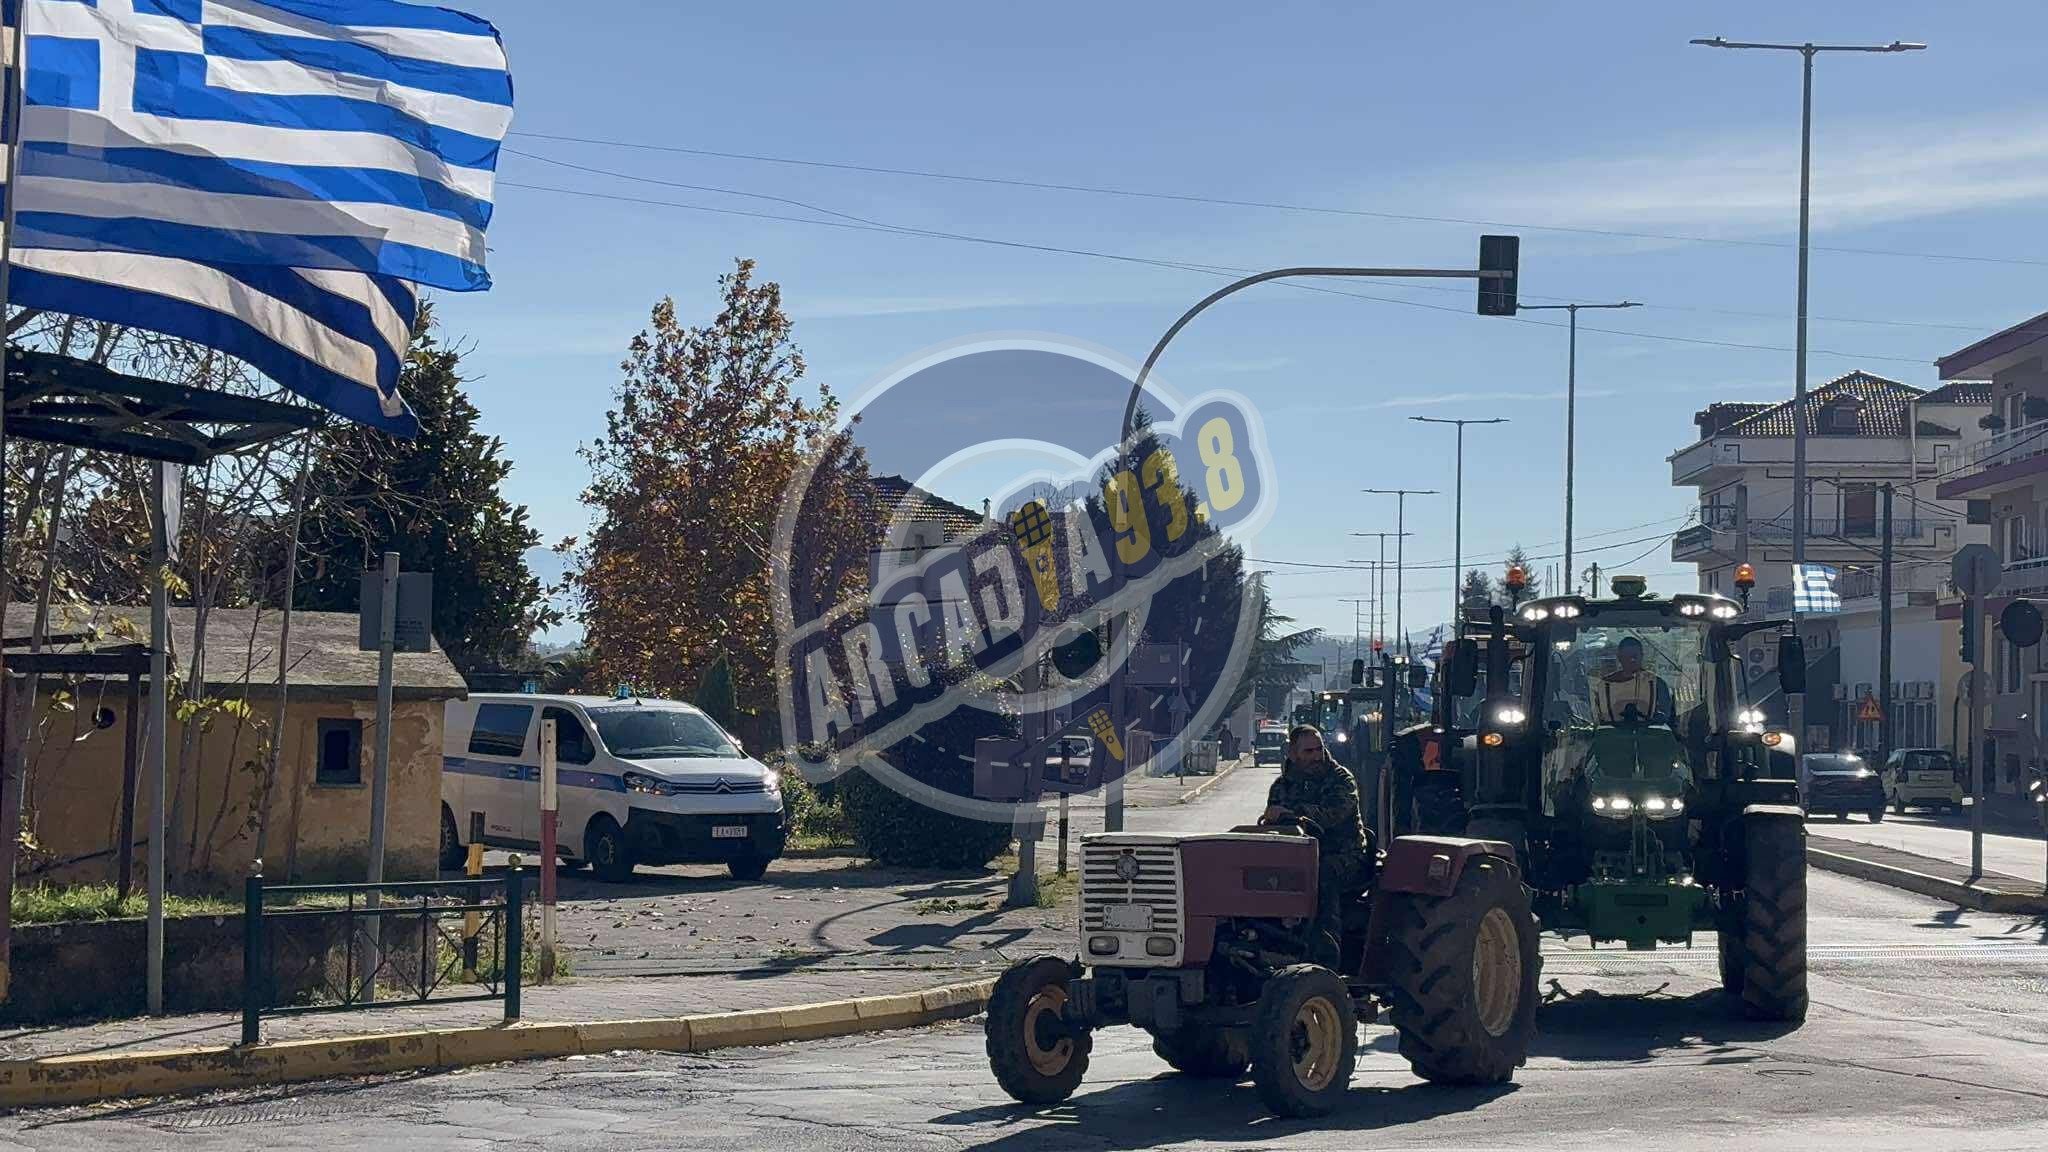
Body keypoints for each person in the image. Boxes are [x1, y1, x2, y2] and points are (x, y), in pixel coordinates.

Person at [1263, 724, 1369, 968]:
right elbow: (1274, 821)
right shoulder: (1281, 786)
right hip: (1295, 857)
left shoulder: (1342, 779)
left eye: (1319, 749)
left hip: (1344, 854)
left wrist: (1293, 813)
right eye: (1308, 751)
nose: (1316, 757)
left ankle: (1328, 955)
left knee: (1321, 876)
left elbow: (1332, 815)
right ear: (1293, 754)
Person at [1593, 636, 1675, 725]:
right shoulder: (1603, 686)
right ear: (1619, 658)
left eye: (1635, 656)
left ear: (1642, 656)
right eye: (1627, 657)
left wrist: (1656, 719)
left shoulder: (1657, 684)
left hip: (1650, 736)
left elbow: (1665, 716)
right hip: (1608, 737)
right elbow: (1595, 717)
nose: (1632, 660)